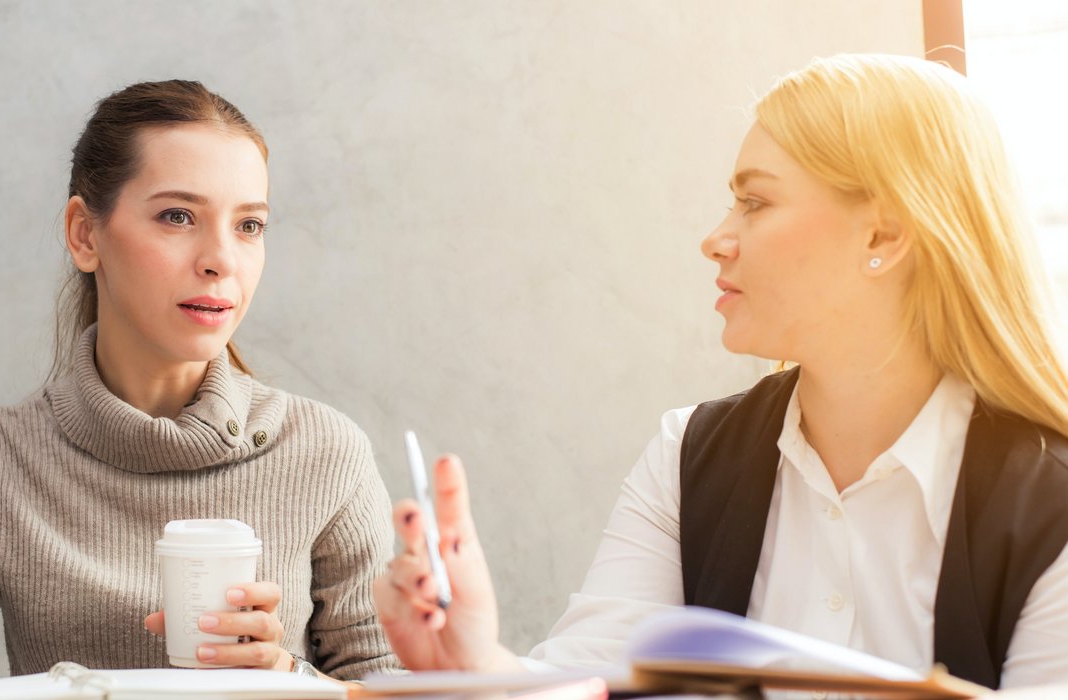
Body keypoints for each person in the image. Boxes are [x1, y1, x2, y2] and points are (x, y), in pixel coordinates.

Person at [373, 53, 1068, 690]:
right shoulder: (688, 456)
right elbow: (589, 682)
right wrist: (478, 665)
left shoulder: (1049, 501)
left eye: (755, 202)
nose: (715, 239)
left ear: (883, 236)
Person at [0, 80, 398, 700]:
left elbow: (399, 683)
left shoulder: (326, 452)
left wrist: (291, 681)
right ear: (84, 235)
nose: (221, 259)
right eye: (178, 216)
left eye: (249, 225)